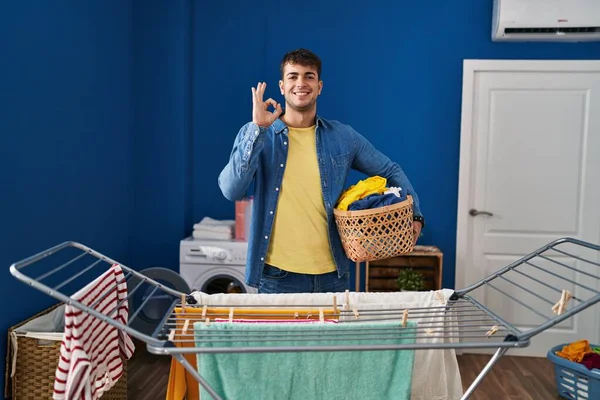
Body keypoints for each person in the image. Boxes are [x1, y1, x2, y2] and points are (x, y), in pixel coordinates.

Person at [218, 48, 424, 294]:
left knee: (331, 335)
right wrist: (258, 129)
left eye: (309, 76)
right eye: (293, 77)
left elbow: (390, 169)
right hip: (277, 277)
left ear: (320, 86)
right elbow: (231, 189)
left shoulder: (343, 137)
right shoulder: (258, 134)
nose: (301, 83)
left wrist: (415, 215)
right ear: (282, 87)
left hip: (332, 276)